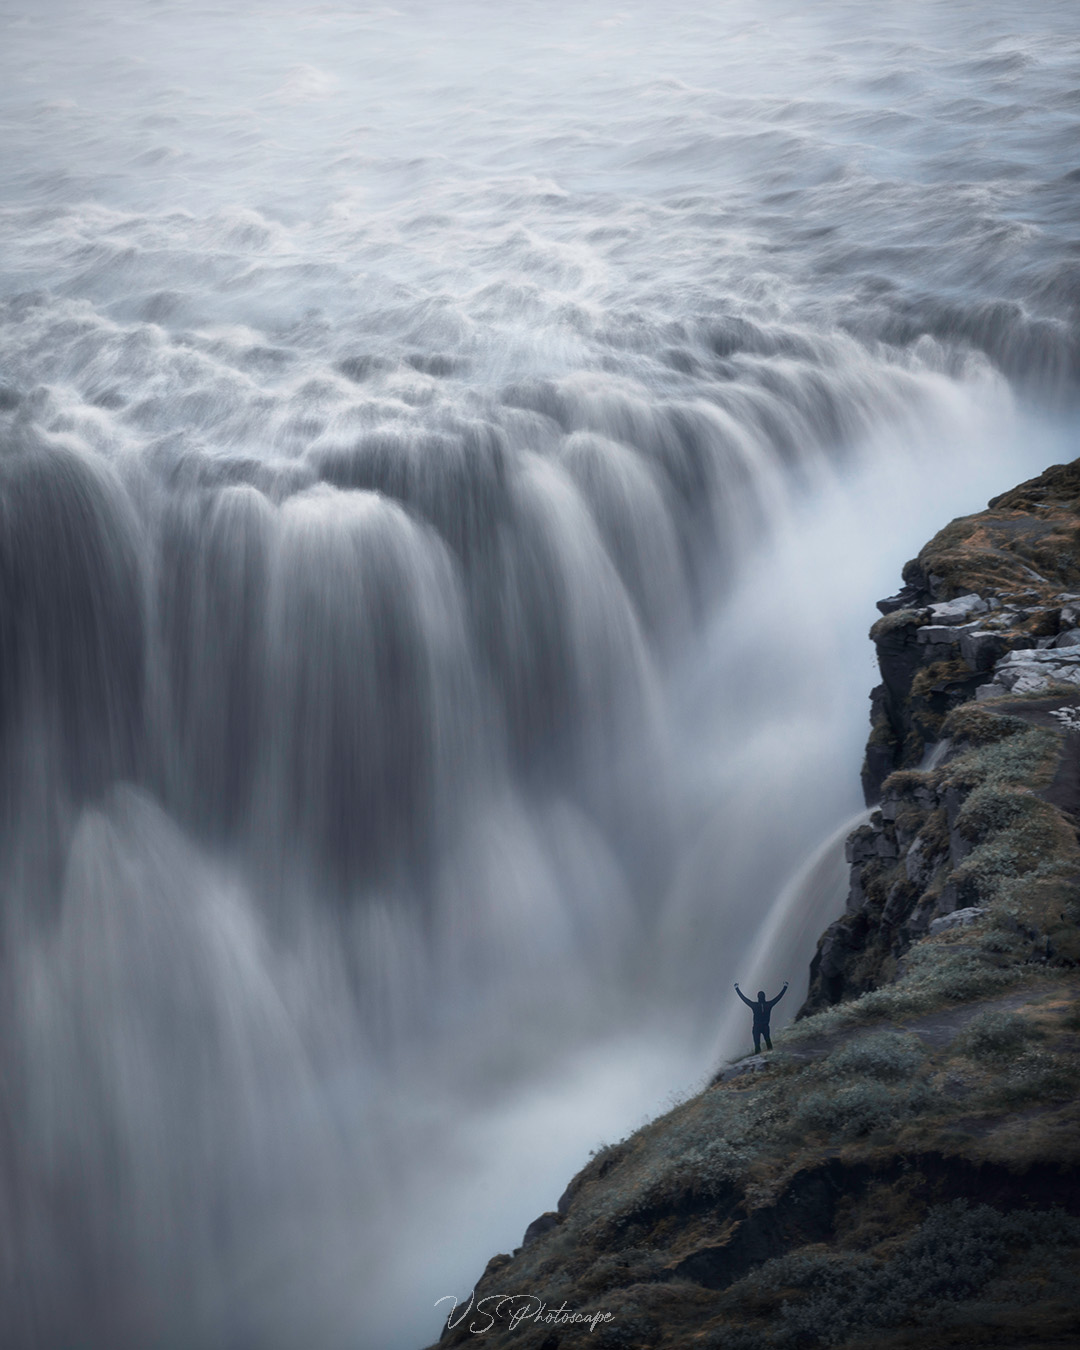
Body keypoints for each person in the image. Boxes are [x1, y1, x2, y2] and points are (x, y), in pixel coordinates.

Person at [734, 980, 788, 1054]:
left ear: (758, 997)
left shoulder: (754, 1005)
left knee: (757, 1045)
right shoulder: (769, 1005)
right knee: (768, 1042)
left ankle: (758, 1060)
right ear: (764, 997)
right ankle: (771, 1057)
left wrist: (737, 988)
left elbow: (744, 999)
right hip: (765, 1027)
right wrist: (785, 987)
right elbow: (778, 997)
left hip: (756, 1027)